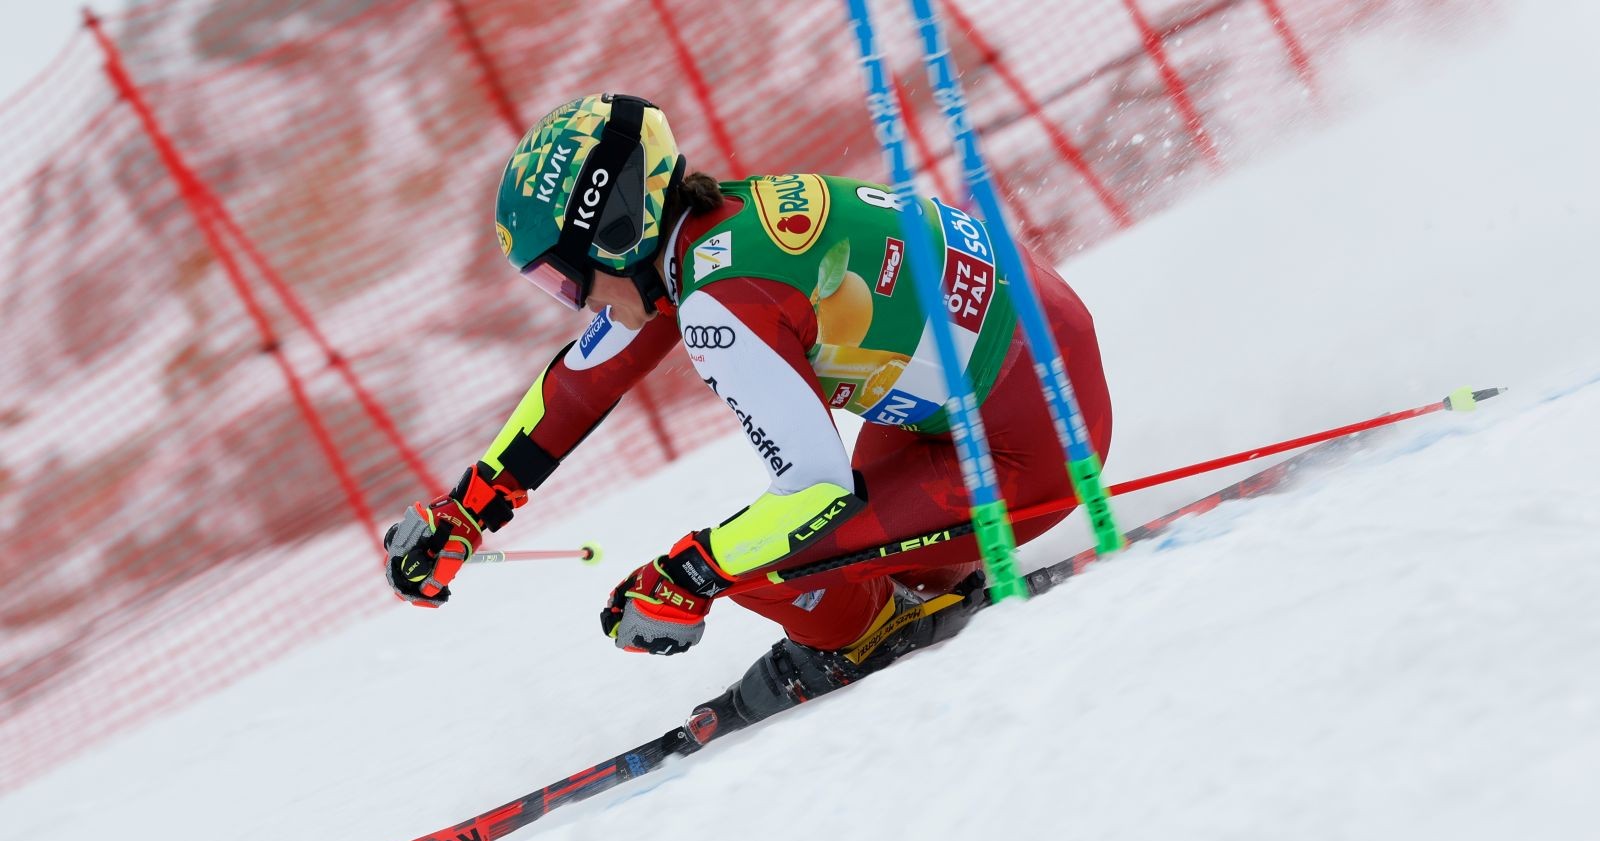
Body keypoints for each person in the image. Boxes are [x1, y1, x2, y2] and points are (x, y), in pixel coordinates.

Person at [383, 93, 1112, 727]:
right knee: (830, 549)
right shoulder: (709, 234)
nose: (576, 303)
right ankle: (919, 590)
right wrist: (470, 508)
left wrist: (690, 575)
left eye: (565, 280)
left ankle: (865, 637)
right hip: (1026, 382)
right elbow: (582, 382)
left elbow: (815, 489)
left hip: (1034, 445)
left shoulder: (715, 304)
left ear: (615, 233)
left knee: (772, 561)